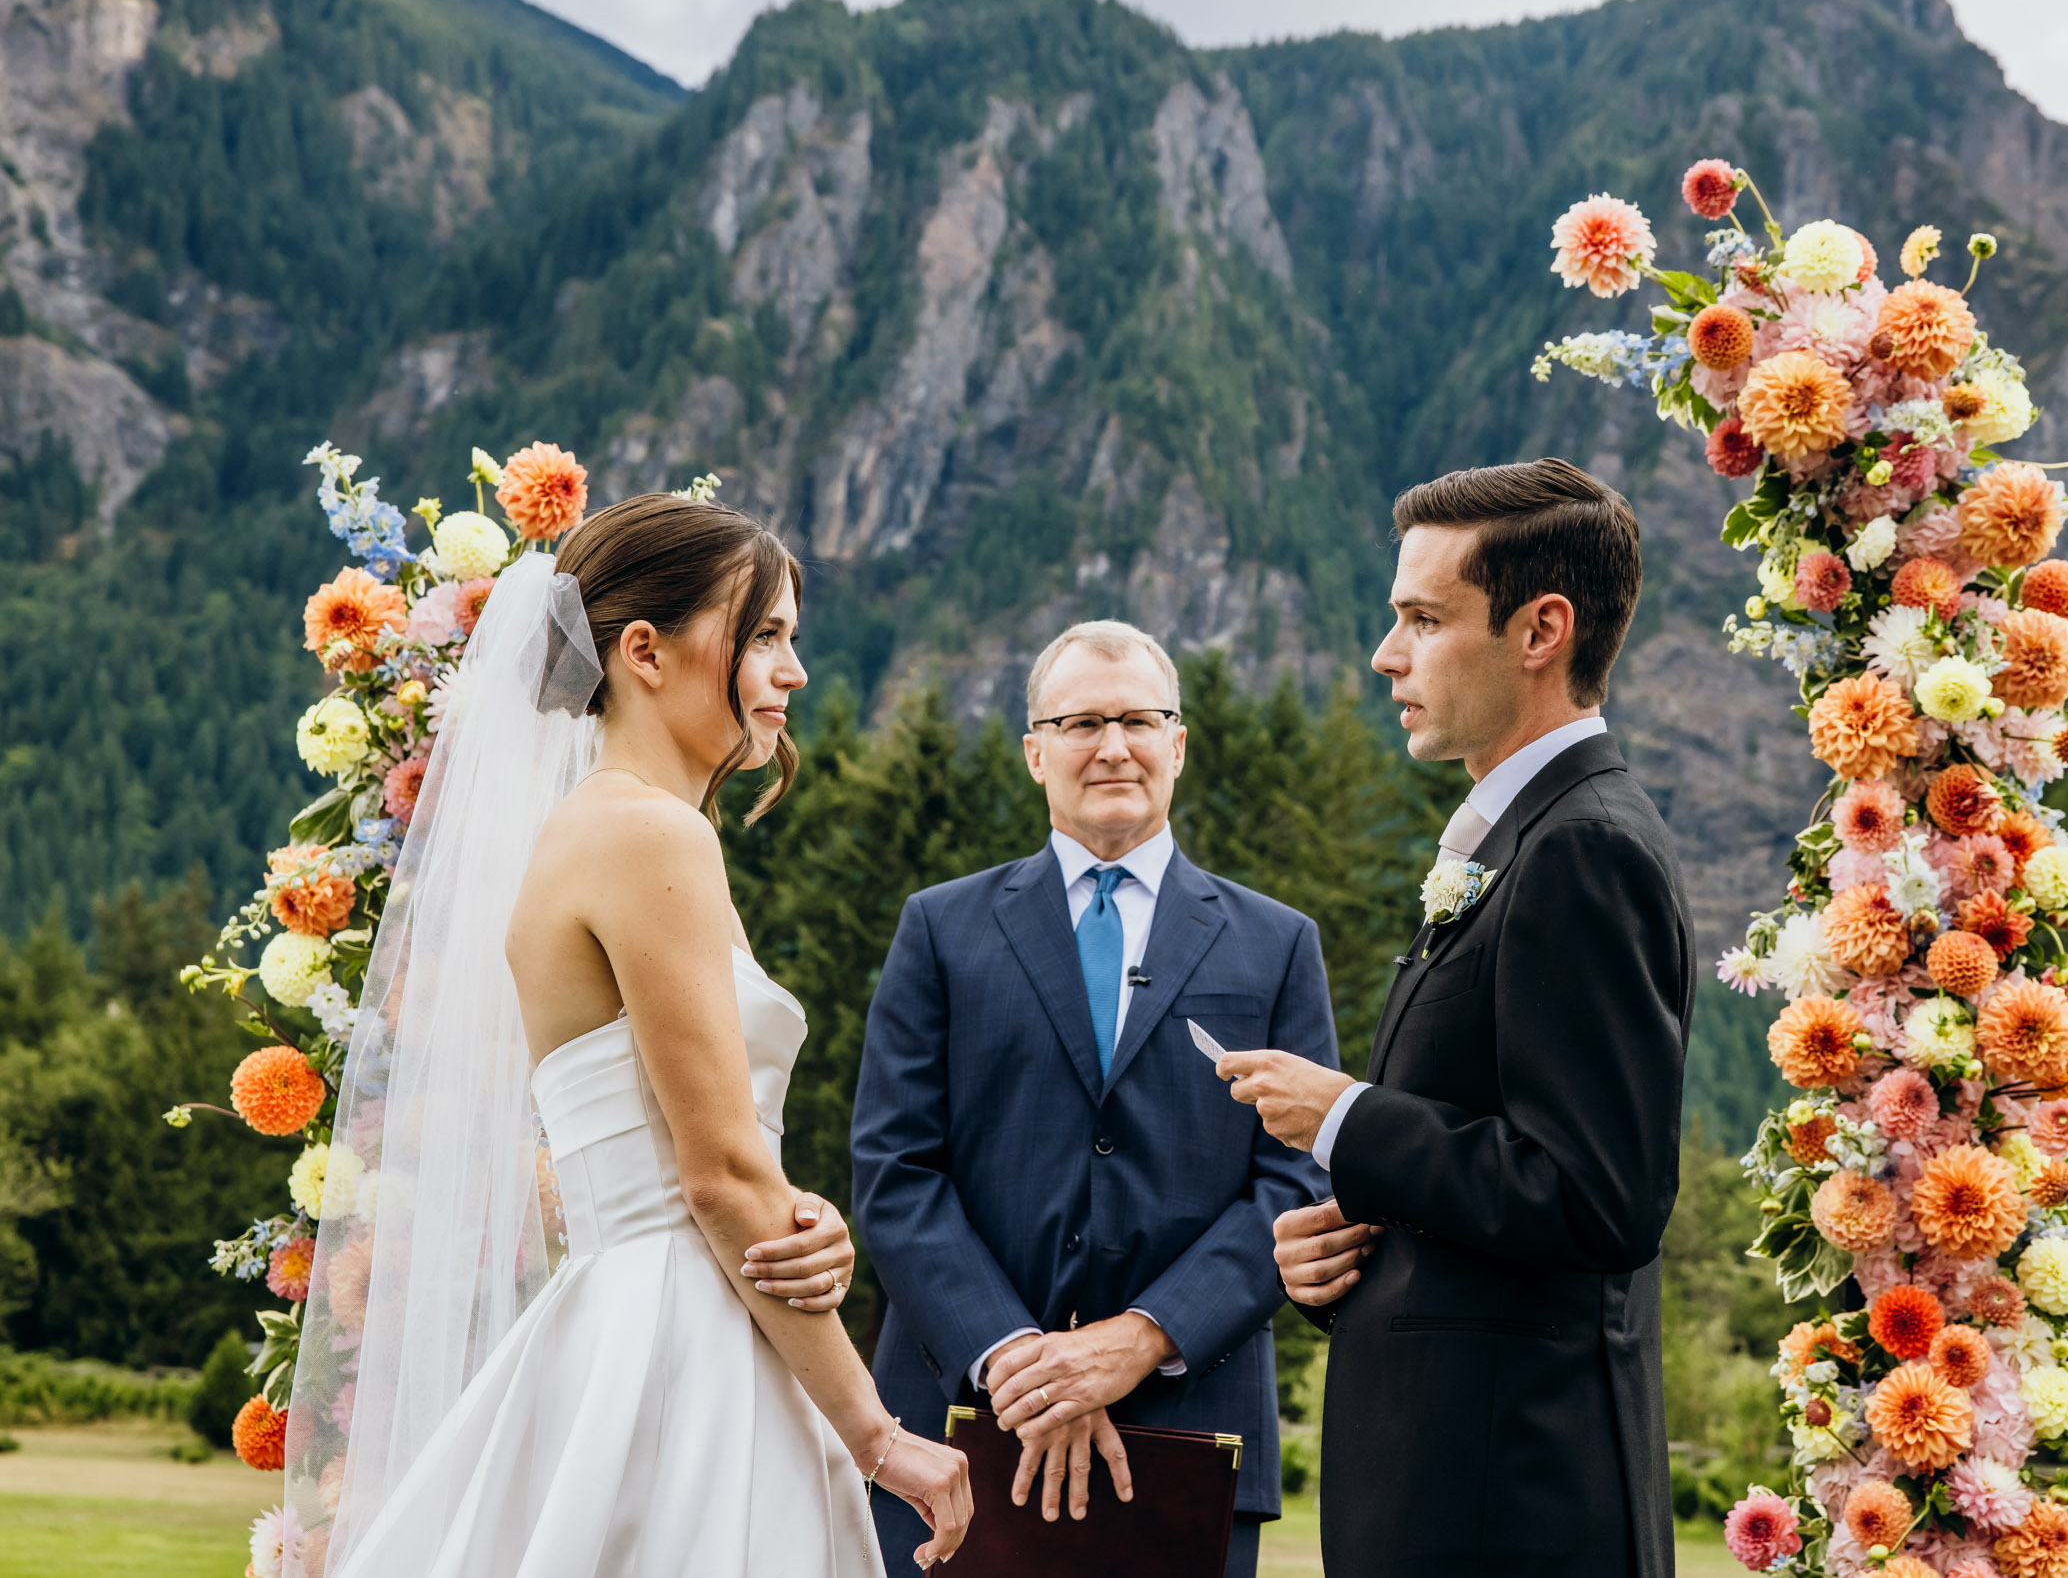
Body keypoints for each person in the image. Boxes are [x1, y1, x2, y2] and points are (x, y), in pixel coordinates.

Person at [291, 496, 971, 1577]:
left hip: (642, 1313)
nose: (793, 671)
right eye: (764, 635)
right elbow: (717, 1175)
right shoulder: (650, 835)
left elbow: (690, 1151)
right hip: (684, 1336)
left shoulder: (602, 828)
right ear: (644, 650)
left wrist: (802, 1218)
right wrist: (880, 1438)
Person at [1221, 458, 1692, 1578]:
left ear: (1541, 630)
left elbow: (1597, 1197)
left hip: (1510, 1510)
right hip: (1451, 1485)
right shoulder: (1521, 836)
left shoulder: (1583, 848)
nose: (1386, 654)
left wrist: (1346, 1120)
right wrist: (1354, 1240)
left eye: (1424, 619)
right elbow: (1496, 1176)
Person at [851, 620, 1337, 1578]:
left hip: (1190, 1435)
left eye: (1139, 721)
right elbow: (894, 1170)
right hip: (961, 1428)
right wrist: (1021, 1362)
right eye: (1081, 723)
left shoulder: (1278, 945)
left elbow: (1296, 1182)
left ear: (1178, 743)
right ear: (1036, 751)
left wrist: (1139, 1339)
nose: (1113, 746)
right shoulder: (940, 929)